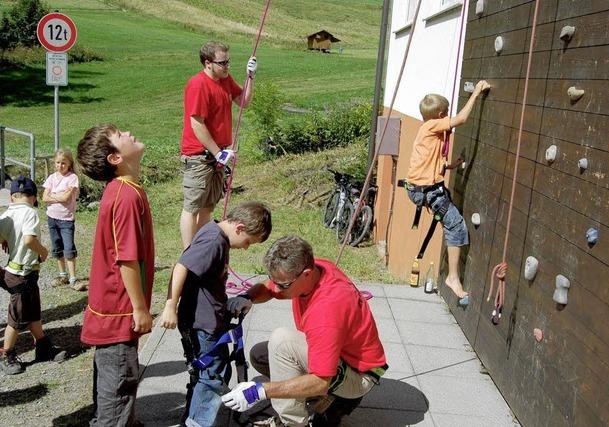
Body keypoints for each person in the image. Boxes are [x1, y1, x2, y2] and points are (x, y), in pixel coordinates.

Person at [221, 235, 387, 427]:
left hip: (358, 376)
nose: (277, 288)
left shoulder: (326, 311)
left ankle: (295, 422)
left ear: (306, 273)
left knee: (282, 342)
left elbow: (320, 381)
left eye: (283, 285)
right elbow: (270, 288)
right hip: (341, 359)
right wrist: (248, 297)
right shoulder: (316, 268)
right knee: (261, 355)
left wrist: (258, 392)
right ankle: (318, 399)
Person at [160, 200, 271, 427]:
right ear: (239, 228)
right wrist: (170, 306)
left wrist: (227, 304)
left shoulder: (214, 233)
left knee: (204, 371)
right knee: (213, 374)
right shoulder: (214, 241)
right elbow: (182, 266)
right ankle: (198, 423)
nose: (247, 247)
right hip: (202, 324)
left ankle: (191, 417)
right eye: (249, 241)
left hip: (207, 318)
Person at [76, 124, 155, 426]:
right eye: (120, 135)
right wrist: (139, 308)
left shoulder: (124, 190)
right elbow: (126, 259)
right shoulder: (125, 197)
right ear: (114, 158)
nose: (128, 133)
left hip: (114, 309)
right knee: (119, 381)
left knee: (119, 381)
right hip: (119, 311)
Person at [404, 80, 491, 306]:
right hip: (427, 191)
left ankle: (450, 271)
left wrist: (452, 166)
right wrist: (477, 93)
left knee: (449, 223)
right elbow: (461, 120)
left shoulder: (428, 131)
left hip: (421, 189)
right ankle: (453, 277)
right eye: (447, 113)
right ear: (441, 114)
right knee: (456, 225)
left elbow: (430, 162)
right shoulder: (432, 126)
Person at [179, 41, 257, 248]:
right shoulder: (198, 85)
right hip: (199, 155)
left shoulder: (225, 80)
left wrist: (250, 77)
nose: (227, 67)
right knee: (193, 206)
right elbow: (197, 124)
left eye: (228, 62)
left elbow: (244, 102)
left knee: (207, 208)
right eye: (222, 63)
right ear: (208, 63)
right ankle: (188, 255)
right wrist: (217, 152)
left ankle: (202, 249)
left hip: (218, 155)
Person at [0, 175, 67, 375]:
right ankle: (6, 354)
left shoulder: (6, 215)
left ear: (12, 197)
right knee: (17, 316)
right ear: (34, 197)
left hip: (17, 271)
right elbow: (29, 240)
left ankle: (43, 346)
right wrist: (43, 251)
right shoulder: (31, 213)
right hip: (22, 273)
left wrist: (6, 239)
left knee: (32, 310)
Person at [42, 148, 82, 290]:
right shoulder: (52, 178)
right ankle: (62, 275)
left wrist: (53, 196)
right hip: (52, 218)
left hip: (66, 219)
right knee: (57, 246)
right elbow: (44, 197)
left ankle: (73, 278)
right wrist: (57, 197)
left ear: (70, 163)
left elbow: (66, 198)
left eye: (63, 163)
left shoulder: (72, 178)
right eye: (58, 163)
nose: (60, 166)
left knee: (69, 248)